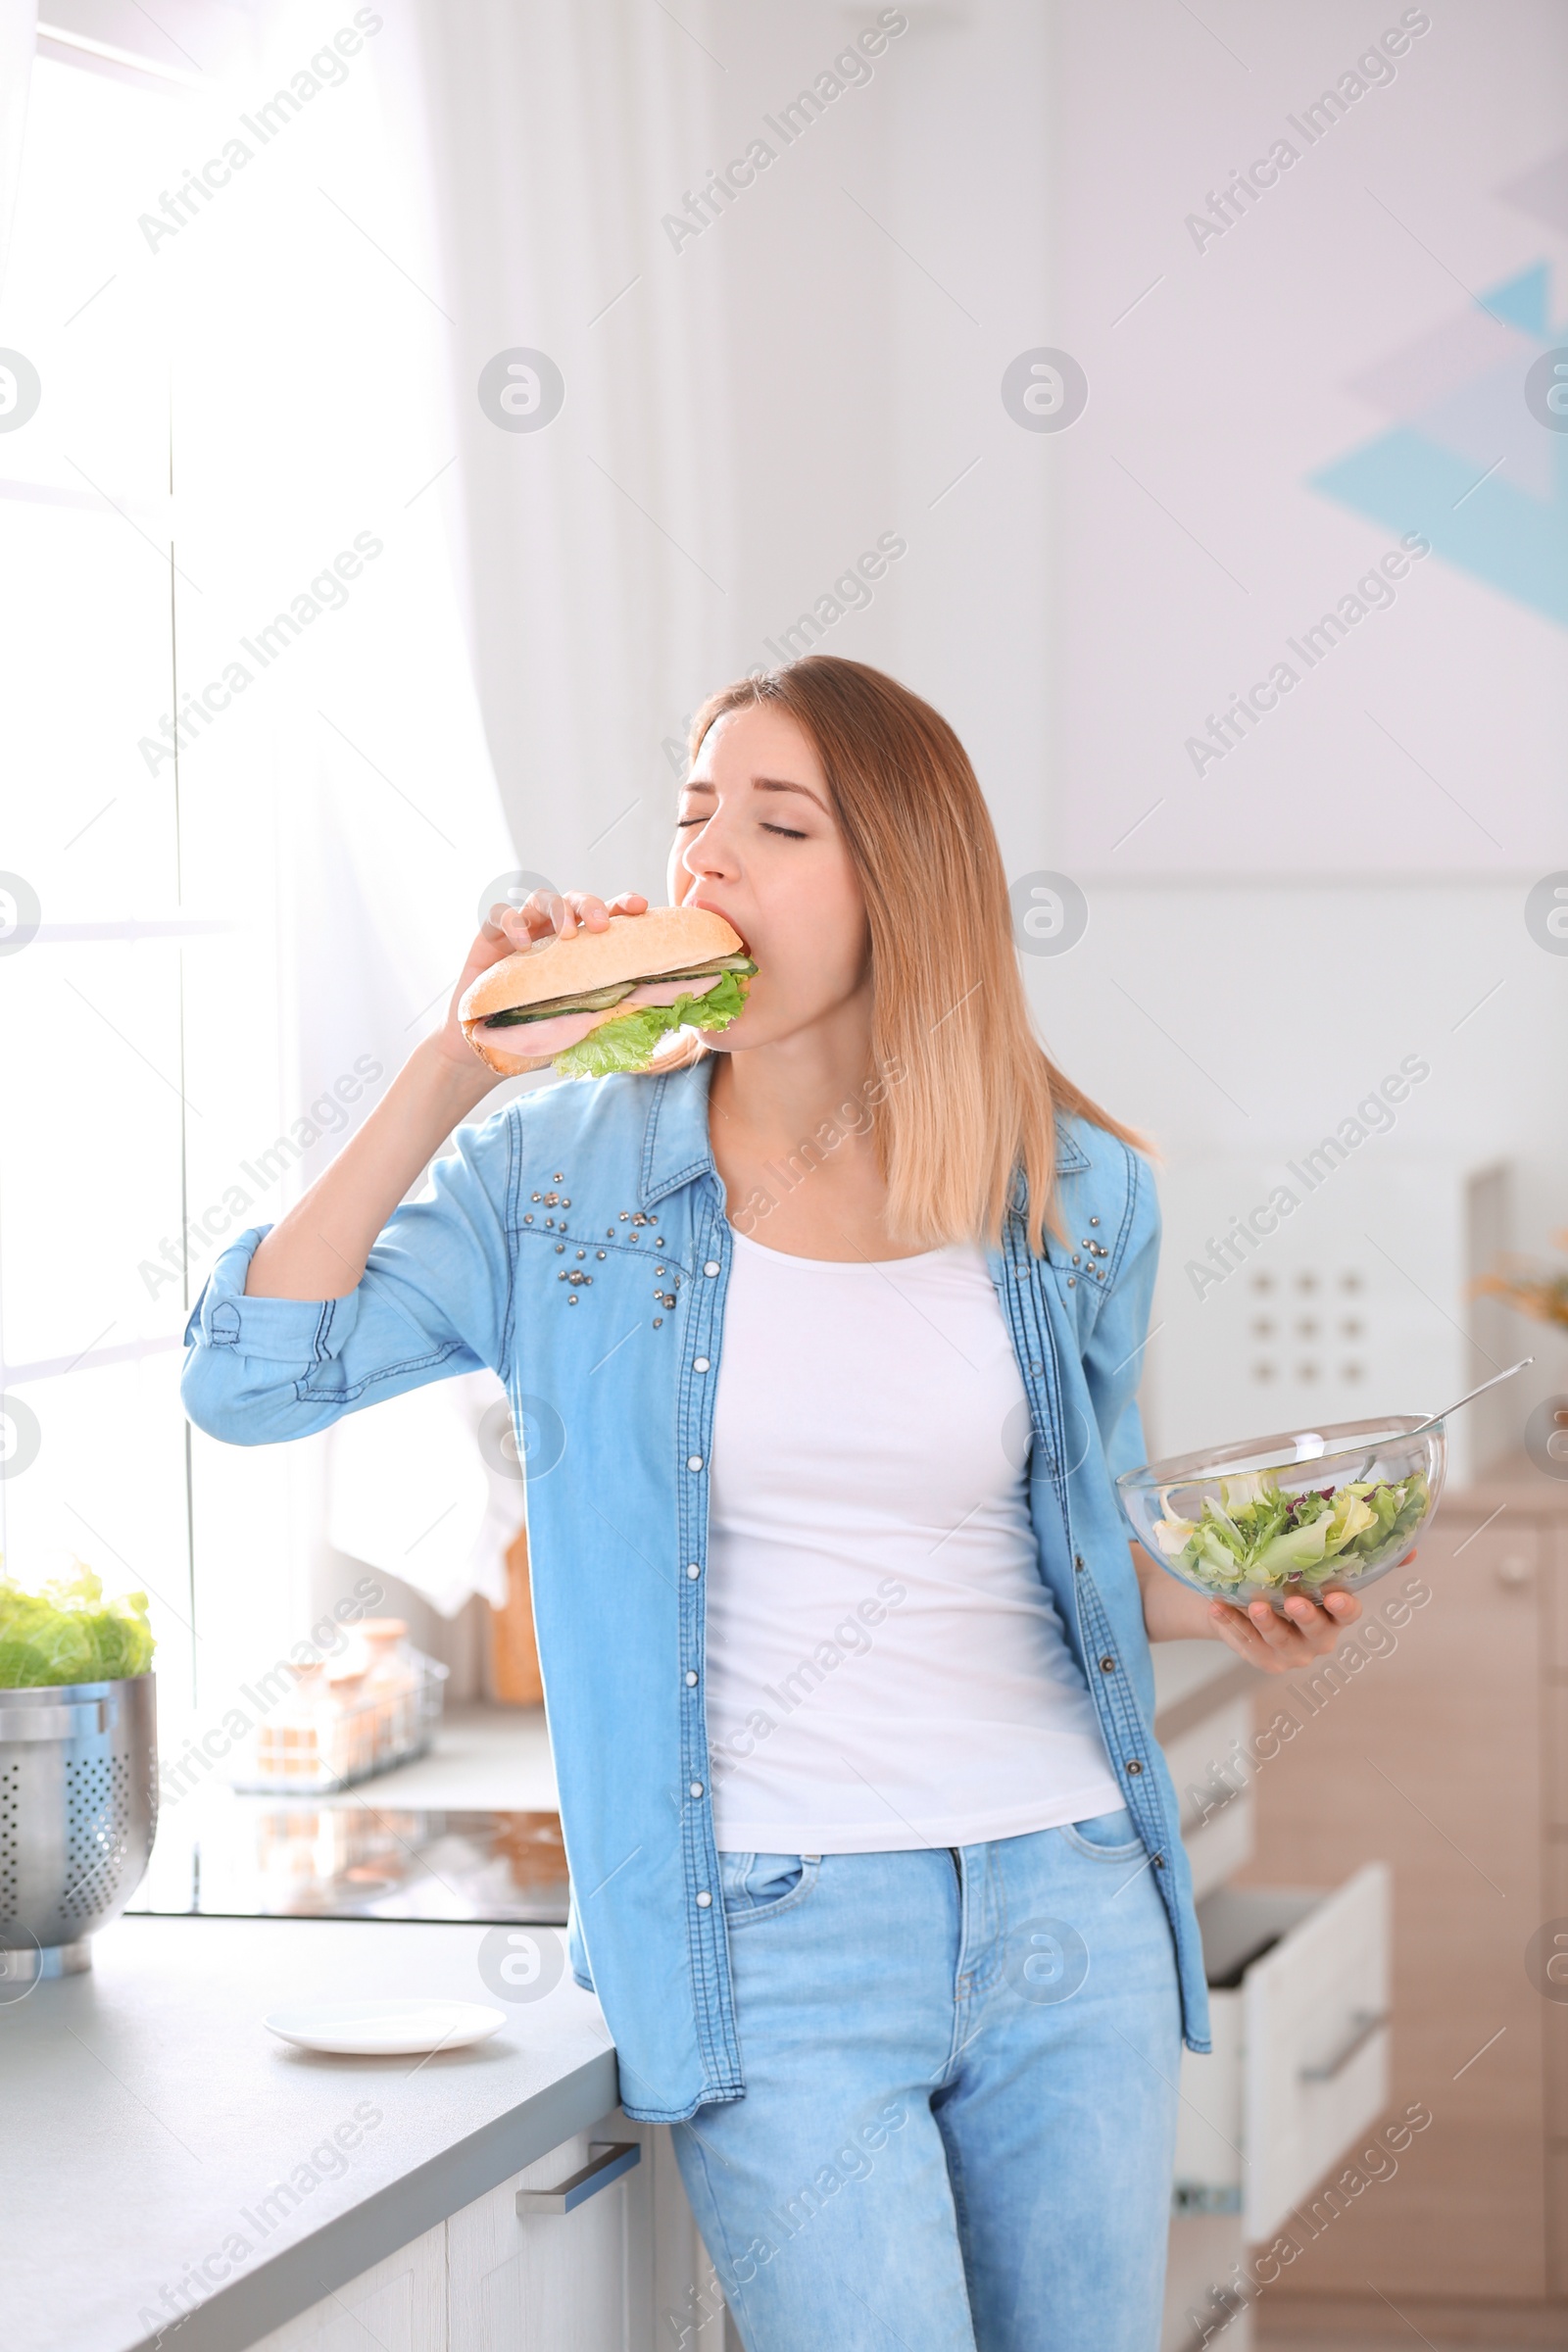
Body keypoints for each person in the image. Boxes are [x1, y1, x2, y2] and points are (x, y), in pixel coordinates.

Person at [182, 656, 1360, 2351]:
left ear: (901, 888)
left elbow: (1069, 1537)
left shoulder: (1071, 1187)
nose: (706, 863)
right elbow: (249, 1377)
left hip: (1068, 1895)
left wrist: (1214, 1597)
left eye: (775, 822)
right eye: (692, 819)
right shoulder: (561, 1179)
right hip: (774, 1938)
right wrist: (459, 1068)